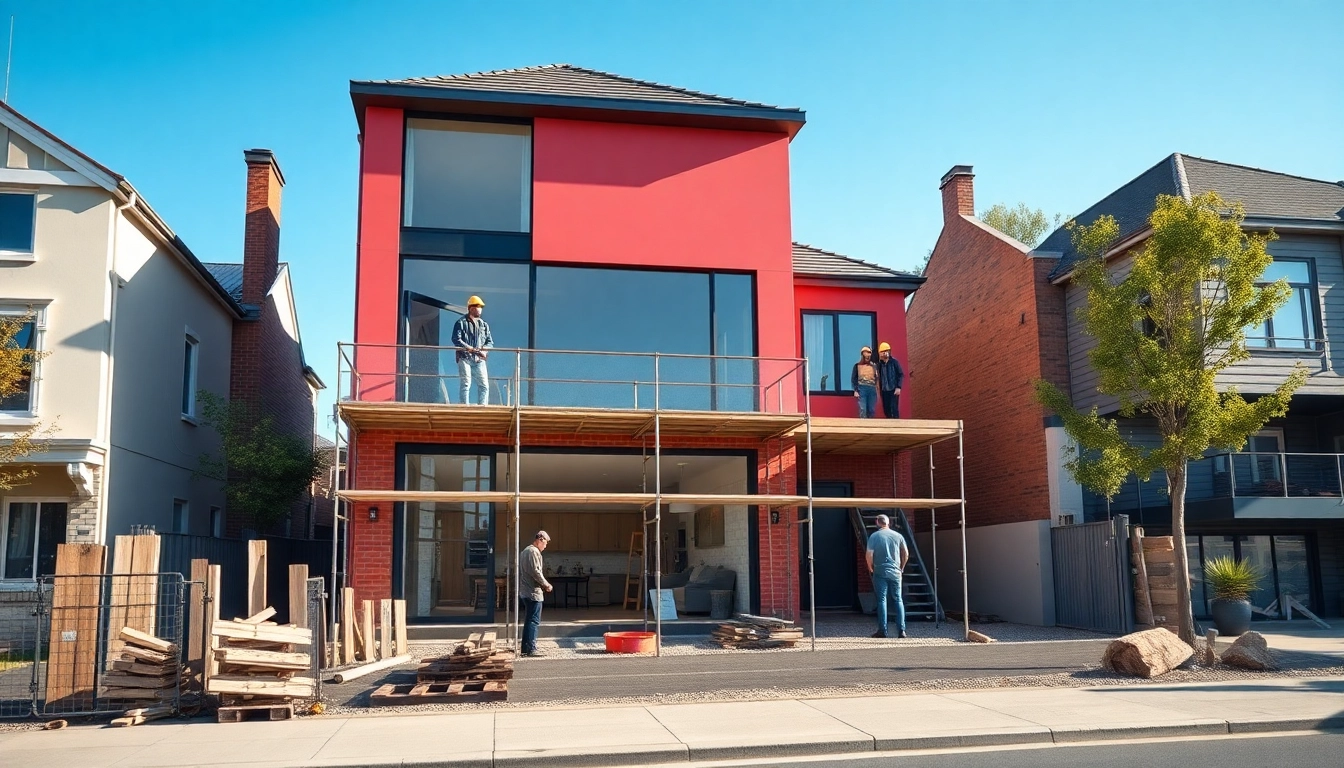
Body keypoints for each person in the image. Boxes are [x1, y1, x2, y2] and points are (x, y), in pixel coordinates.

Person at [866, 514, 909, 639]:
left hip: (880, 571)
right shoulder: (898, 536)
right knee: (898, 599)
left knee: (882, 600)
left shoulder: (874, 536)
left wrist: (870, 567)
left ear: (877, 522)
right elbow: (905, 553)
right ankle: (901, 630)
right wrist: (902, 567)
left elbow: (869, 554)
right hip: (895, 572)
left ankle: (882, 631)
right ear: (888, 523)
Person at [451, 295, 494, 405]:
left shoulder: (484, 325)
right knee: (466, 383)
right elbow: (456, 339)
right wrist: (468, 348)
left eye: (481, 307)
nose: (480, 309)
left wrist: (484, 351)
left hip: (479, 359)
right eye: (477, 306)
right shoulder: (461, 323)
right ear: (471, 308)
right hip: (465, 357)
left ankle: (482, 407)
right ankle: (465, 406)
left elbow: (490, 342)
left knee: (484, 385)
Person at [519, 530, 553, 657]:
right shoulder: (533, 551)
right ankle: (531, 648)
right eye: (545, 543)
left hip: (525, 591)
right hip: (533, 592)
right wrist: (546, 584)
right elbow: (536, 572)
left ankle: (525, 648)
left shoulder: (525, 551)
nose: (545, 546)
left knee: (529, 620)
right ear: (540, 539)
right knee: (533, 621)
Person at [875, 342, 904, 419]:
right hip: (884, 391)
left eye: (885, 351)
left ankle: (897, 427)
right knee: (886, 410)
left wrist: (898, 387)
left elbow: (900, 374)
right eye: (881, 352)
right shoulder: (879, 365)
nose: (883, 354)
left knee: (894, 409)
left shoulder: (894, 362)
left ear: (888, 352)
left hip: (893, 389)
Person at [851, 346, 879, 418]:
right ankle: (863, 427)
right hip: (862, 388)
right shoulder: (857, 366)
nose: (868, 357)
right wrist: (855, 390)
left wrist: (877, 390)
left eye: (869, 354)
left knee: (871, 410)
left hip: (872, 388)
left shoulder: (874, 366)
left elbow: (877, 379)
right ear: (862, 355)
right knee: (862, 409)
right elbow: (854, 379)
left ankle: (870, 427)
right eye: (866, 355)